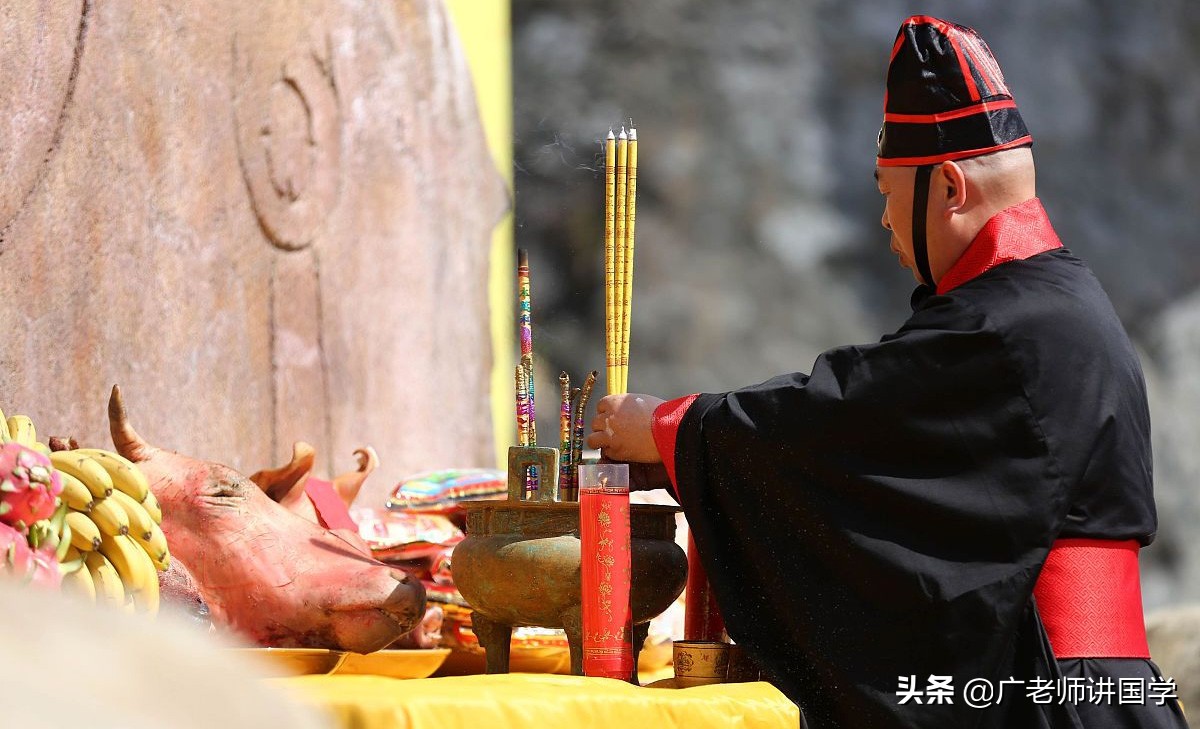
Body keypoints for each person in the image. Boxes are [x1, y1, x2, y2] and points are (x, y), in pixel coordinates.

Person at [588, 15, 1189, 729]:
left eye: (887, 190)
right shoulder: (1057, 302)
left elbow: (842, 427)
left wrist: (671, 427)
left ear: (951, 189)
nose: (883, 219)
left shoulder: (1009, 326)